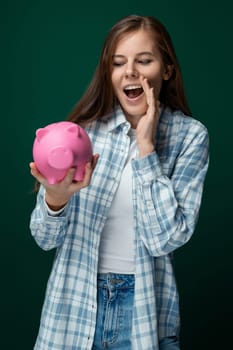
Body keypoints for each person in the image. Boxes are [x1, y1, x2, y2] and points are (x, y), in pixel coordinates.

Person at [29, 14, 209, 350]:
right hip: (73, 306)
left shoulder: (190, 137)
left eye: (144, 60)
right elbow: (43, 237)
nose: (130, 72)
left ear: (166, 70)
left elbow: (165, 239)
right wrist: (55, 198)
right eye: (119, 62)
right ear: (108, 73)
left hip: (142, 311)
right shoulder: (81, 134)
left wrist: (146, 149)